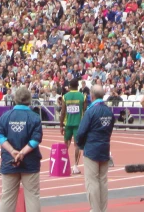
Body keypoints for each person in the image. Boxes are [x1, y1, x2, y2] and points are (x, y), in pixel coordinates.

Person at [0, 87, 43, 212]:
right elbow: (36, 139)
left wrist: (12, 151)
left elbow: (0, 136)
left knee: (7, 196)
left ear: (15, 100)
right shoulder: (34, 117)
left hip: (9, 160)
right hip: (30, 161)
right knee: (32, 196)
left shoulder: (5, 116)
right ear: (29, 100)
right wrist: (22, 152)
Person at [75, 84, 114, 212]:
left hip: (92, 149)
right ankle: (103, 209)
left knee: (92, 181)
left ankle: (95, 209)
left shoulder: (91, 111)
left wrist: (80, 144)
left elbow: (81, 132)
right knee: (103, 181)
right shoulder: (109, 111)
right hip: (104, 148)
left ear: (91, 96)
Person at [60, 78, 87, 174]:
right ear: (78, 86)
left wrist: (61, 125)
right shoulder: (82, 96)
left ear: (70, 86)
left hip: (68, 124)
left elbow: (62, 112)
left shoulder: (65, 96)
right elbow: (85, 112)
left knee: (65, 145)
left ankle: (63, 165)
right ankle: (75, 166)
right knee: (77, 146)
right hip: (78, 125)